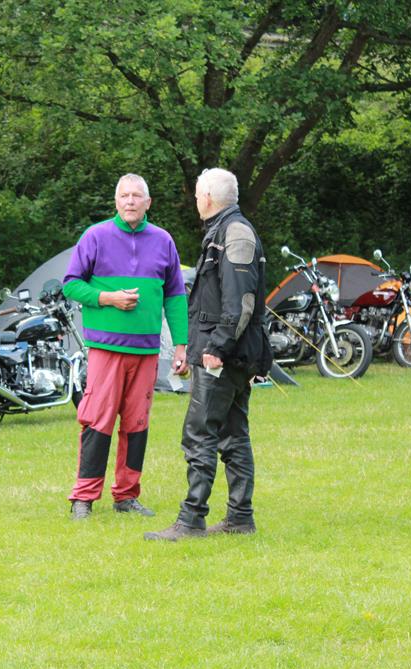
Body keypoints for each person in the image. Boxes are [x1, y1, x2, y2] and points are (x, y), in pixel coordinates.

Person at [145, 168, 272, 541]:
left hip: (225, 356)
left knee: (200, 432)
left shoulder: (235, 233)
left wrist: (217, 347)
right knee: (232, 434)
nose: (196, 199)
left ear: (209, 198)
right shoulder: (223, 231)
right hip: (228, 352)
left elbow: (241, 302)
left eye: (198, 193)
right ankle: (239, 518)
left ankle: (191, 520)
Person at [63, 174, 188, 520]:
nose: (130, 201)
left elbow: (176, 295)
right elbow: (71, 284)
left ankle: (127, 496)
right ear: (116, 201)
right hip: (106, 348)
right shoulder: (96, 236)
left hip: (146, 352)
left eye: (136, 196)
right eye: (124, 196)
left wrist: (181, 345)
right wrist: (108, 298)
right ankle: (83, 498)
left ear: (148, 203)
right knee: (98, 420)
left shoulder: (163, 241)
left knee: (137, 423)